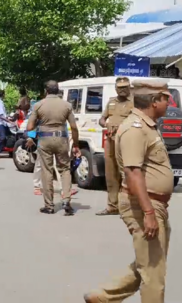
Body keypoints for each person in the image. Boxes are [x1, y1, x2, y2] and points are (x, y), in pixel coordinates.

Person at [85, 80, 173, 303]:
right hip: (144, 205)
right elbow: (133, 172)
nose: (169, 102)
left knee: (151, 261)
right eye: (165, 98)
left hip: (154, 204)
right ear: (154, 101)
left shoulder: (146, 126)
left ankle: (102, 297)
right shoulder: (135, 129)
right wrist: (149, 213)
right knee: (153, 273)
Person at [27, 81, 80, 215]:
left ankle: (49, 205)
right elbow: (74, 127)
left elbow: (29, 127)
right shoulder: (66, 105)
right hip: (62, 139)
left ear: (46, 90)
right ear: (58, 90)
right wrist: (76, 145)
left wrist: (34, 133)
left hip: (45, 140)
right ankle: (66, 200)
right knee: (65, 169)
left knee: (47, 171)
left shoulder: (39, 105)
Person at [96, 77, 133, 216]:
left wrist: (122, 126)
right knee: (111, 174)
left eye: (125, 87)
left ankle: (128, 207)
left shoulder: (135, 102)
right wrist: (105, 124)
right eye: (120, 87)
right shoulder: (111, 101)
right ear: (116, 88)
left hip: (127, 141)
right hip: (111, 140)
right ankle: (112, 206)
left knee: (127, 173)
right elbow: (102, 119)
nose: (123, 90)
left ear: (129, 88)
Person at [0, 90, 14, 158]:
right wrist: (9, 121)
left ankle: (11, 151)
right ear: (3, 95)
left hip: (2, 123)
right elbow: (1, 115)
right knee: (3, 137)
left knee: (10, 136)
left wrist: (9, 118)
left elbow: (3, 114)